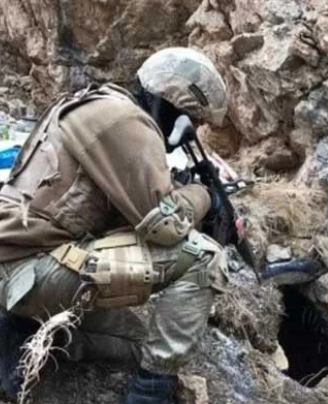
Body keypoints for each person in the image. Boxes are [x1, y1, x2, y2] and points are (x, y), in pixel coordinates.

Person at [0, 47, 231, 404]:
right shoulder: (126, 121)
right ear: (178, 106)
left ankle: (22, 333)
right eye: (193, 119)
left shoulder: (96, 104)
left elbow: (117, 212)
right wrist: (205, 197)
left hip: (19, 266)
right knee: (204, 258)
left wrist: (179, 190)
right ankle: (151, 393)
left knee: (137, 341)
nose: (191, 129)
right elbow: (165, 226)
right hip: (28, 271)